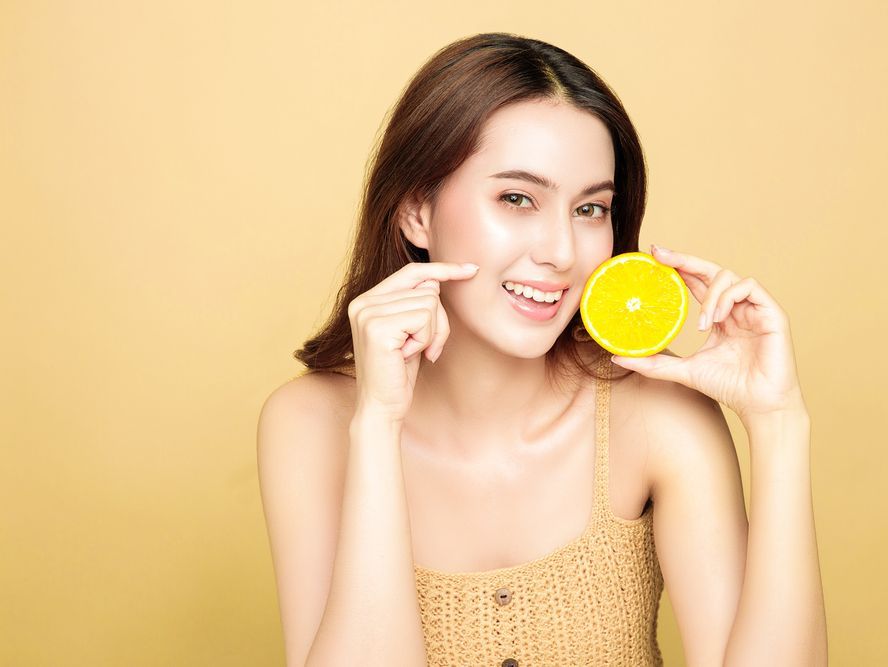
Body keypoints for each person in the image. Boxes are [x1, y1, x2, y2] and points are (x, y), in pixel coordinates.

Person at [256, 32, 827, 667]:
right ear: (417, 210)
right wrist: (379, 423)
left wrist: (778, 422)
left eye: (590, 209)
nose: (561, 251)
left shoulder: (657, 417)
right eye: (517, 198)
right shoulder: (311, 424)